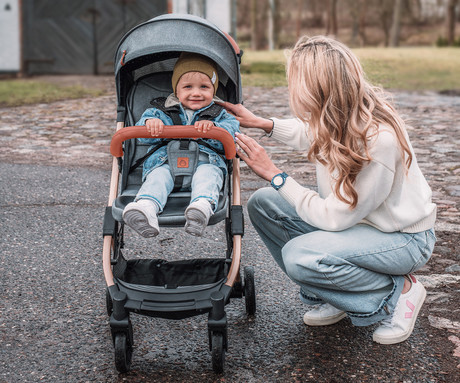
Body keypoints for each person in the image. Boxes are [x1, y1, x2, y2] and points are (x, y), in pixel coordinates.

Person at [222, 35, 436, 345]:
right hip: (360, 225)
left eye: (295, 81)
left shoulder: (379, 141)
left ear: (316, 88)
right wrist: (263, 123)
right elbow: (309, 131)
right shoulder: (340, 113)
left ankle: (398, 294)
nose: (291, 89)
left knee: (299, 256)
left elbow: (335, 217)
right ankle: (335, 294)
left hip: (402, 239)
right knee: (264, 204)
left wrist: (275, 174)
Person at [123, 52, 239, 238]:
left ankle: (201, 208)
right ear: (176, 90)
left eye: (204, 87)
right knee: (157, 178)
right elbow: (142, 137)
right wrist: (150, 124)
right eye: (188, 87)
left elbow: (233, 134)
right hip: (166, 163)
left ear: (213, 90)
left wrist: (215, 128)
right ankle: (146, 208)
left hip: (205, 161)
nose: (196, 93)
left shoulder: (219, 114)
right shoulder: (160, 110)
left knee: (209, 174)